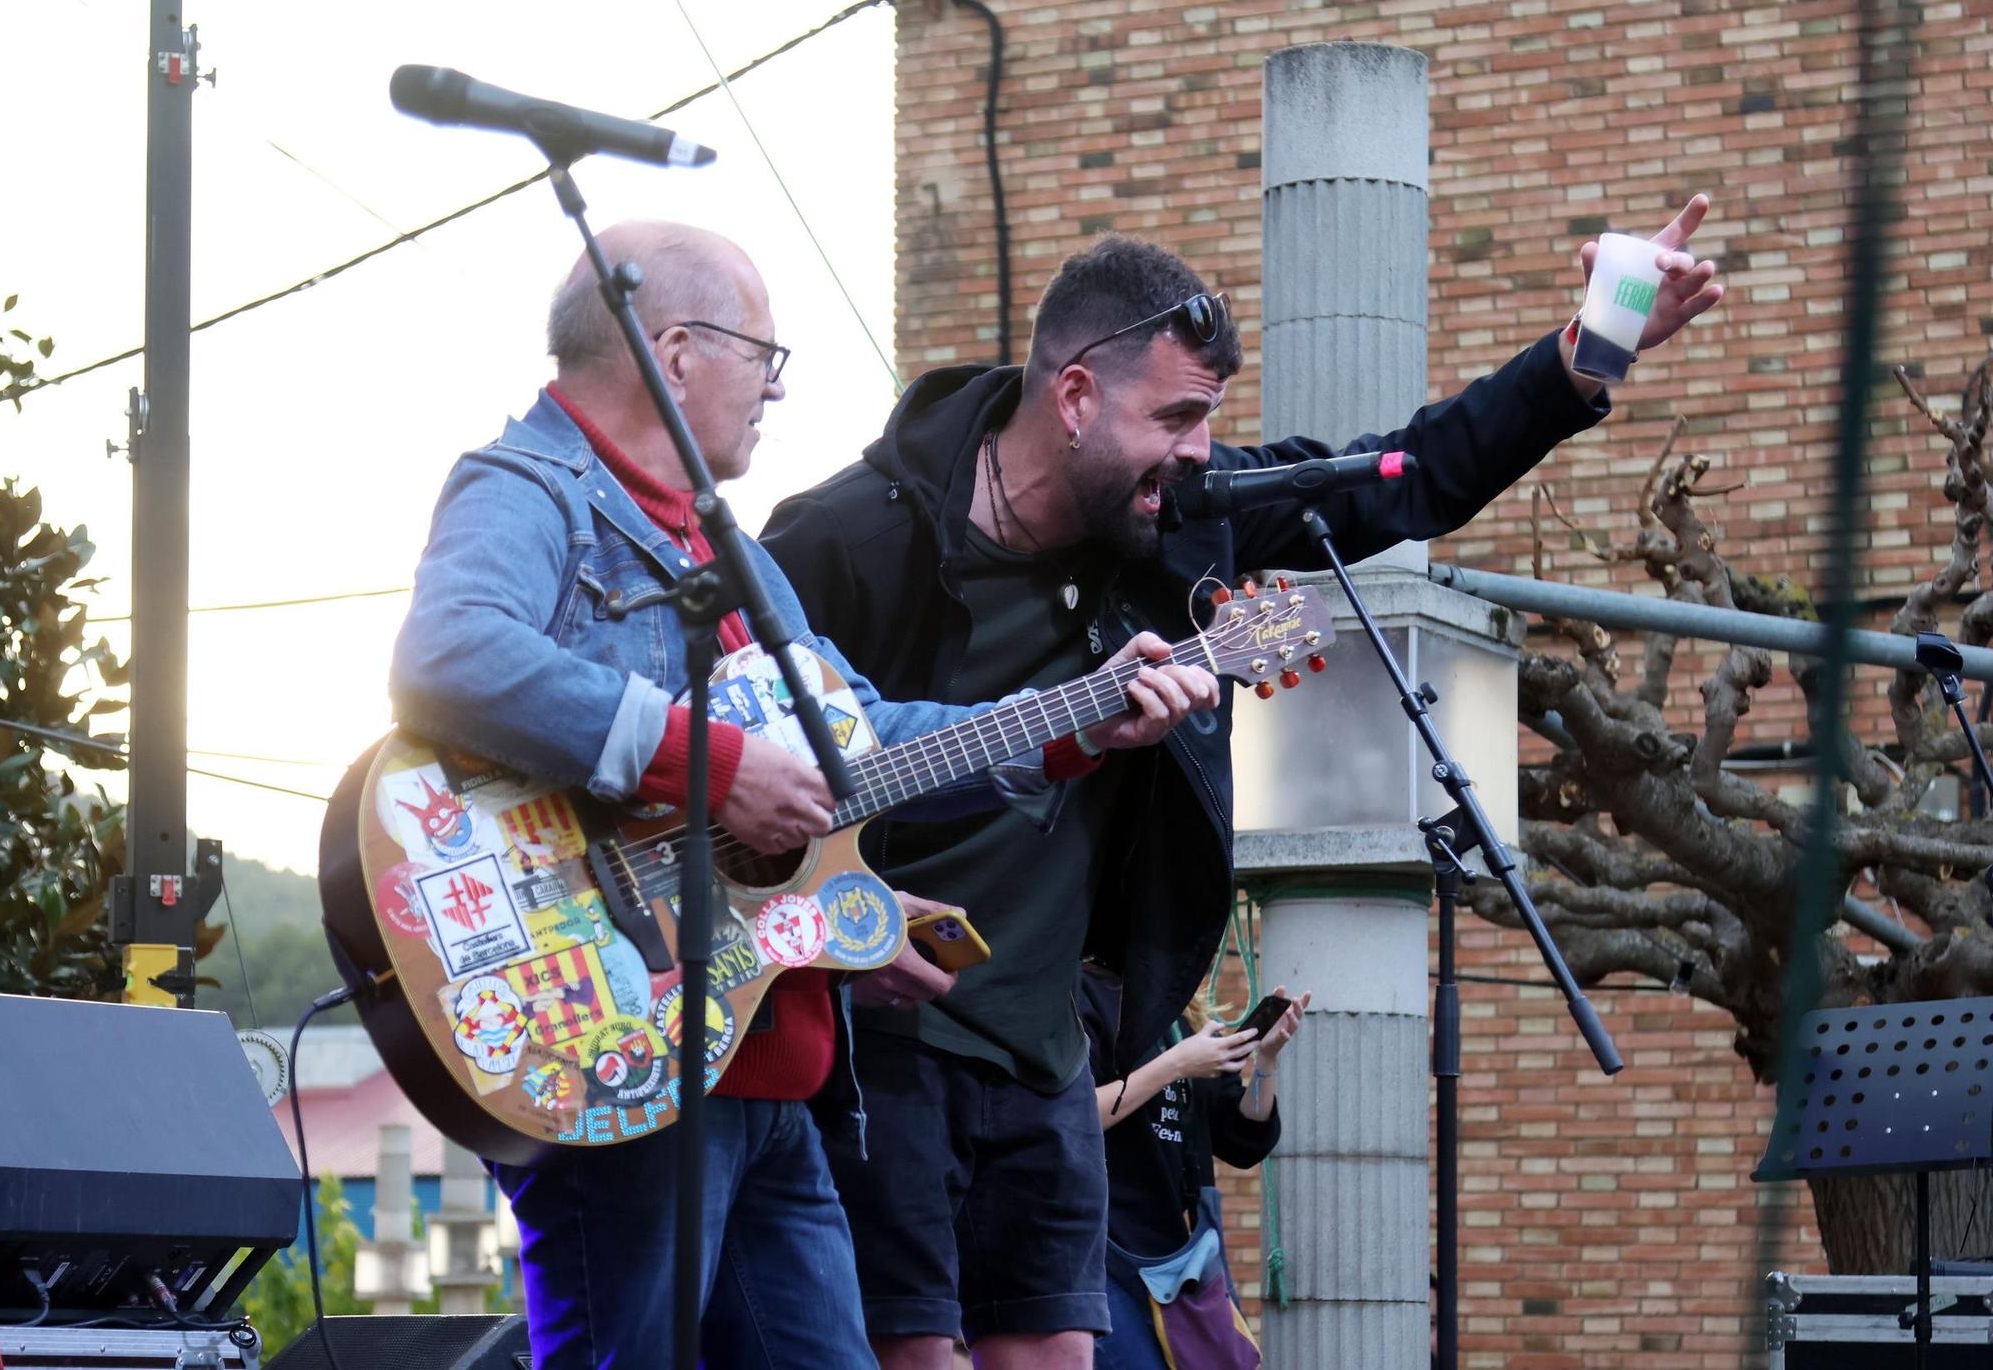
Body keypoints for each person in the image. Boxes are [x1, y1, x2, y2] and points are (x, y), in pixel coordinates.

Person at [759, 197, 1723, 1369]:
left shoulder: (1177, 519)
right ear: (1071, 397)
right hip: (883, 1037)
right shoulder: (849, 540)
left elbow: (1396, 478)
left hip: (1050, 1040)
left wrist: (1589, 349)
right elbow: (749, 782)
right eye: (1174, 415)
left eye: (1207, 418)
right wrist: (820, 930)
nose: (1197, 451)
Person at [388, 220, 1218, 1369]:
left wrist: (1076, 720)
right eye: (761, 355)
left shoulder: (726, 547)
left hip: (770, 1079)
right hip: (618, 1043)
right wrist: (713, 767)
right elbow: (448, 654)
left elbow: (857, 740)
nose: (774, 388)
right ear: (674, 352)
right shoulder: (531, 487)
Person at [1076, 967, 1310, 1370]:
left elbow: (1239, 1140)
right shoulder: (1081, 990)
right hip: (1104, 1248)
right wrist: (1177, 1064)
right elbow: (1076, 1113)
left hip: (1179, 1253)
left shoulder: (1182, 1014)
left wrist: (1266, 1060)